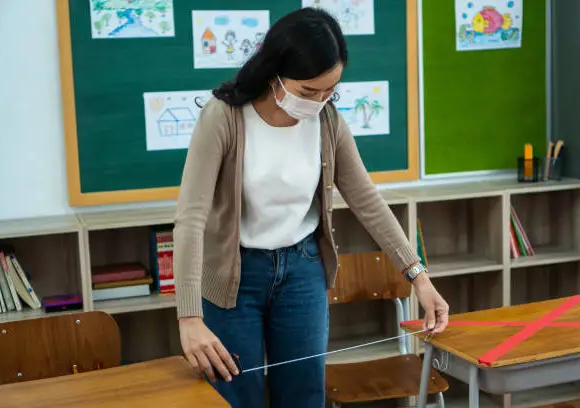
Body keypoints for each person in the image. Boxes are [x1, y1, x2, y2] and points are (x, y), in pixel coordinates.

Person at [174, 7, 449, 408]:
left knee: (303, 396)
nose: (318, 102)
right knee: (235, 396)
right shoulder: (224, 117)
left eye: (329, 92)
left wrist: (418, 276)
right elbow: (191, 217)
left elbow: (367, 201)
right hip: (233, 276)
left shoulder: (328, 121)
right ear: (275, 73)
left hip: (302, 272)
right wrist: (189, 317)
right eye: (307, 91)